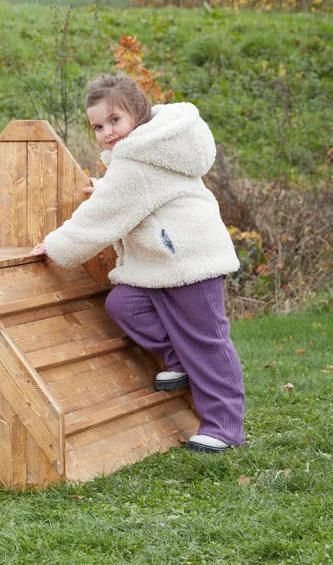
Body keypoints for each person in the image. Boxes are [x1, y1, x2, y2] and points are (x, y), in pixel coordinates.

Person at [31, 74, 245, 453]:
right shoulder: (153, 148)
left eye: (115, 120)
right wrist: (106, 187)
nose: (107, 132)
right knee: (124, 303)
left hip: (192, 259)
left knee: (208, 341)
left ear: (139, 114)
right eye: (98, 126)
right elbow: (137, 193)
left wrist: (55, 245)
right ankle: (177, 358)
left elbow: (104, 213)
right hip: (169, 259)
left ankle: (224, 426)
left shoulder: (137, 158)